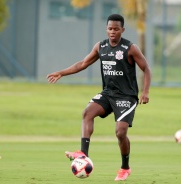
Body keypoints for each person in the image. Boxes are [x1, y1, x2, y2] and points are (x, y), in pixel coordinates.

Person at [46, 14, 151, 181]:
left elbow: (146, 69)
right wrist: (61, 73)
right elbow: (82, 64)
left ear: (122, 30)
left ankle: (125, 167)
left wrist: (145, 92)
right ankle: (83, 154)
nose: (112, 32)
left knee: (120, 132)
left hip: (126, 96)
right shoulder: (101, 46)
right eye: (110, 28)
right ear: (106, 29)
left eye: (116, 29)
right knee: (87, 112)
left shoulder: (130, 48)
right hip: (108, 93)